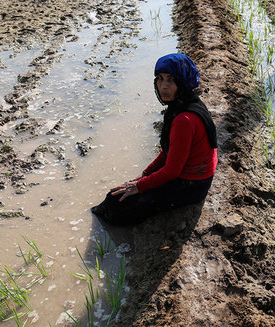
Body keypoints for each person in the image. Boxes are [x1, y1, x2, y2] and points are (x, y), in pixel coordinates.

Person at [91, 53, 217, 225]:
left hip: (192, 186)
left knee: (116, 203)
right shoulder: (184, 104)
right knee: (119, 195)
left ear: (183, 82)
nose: (163, 86)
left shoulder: (183, 120)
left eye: (171, 80)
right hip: (196, 177)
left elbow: (172, 170)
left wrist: (138, 186)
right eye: (160, 78)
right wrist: (143, 175)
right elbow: (168, 153)